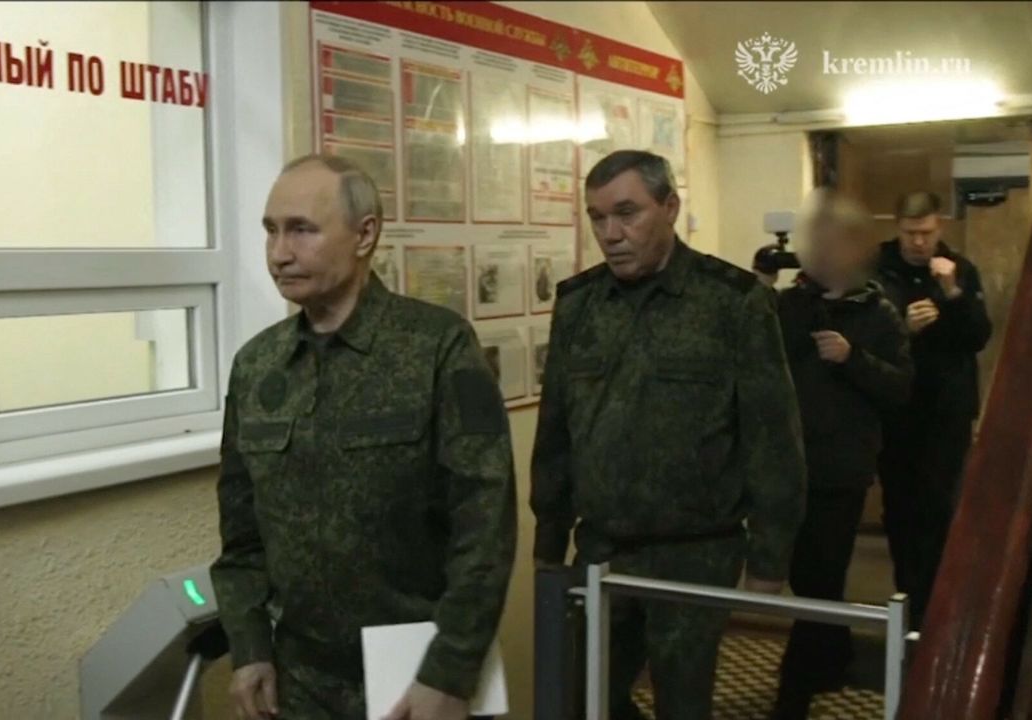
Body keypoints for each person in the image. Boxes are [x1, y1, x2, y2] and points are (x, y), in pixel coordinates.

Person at [211, 153, 517, 720]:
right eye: (272, 231)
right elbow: (242, 537)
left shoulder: (438, 348)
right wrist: (250, 649)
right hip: (297, 683)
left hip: (415, 676)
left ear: (365, 234)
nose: (280, 253)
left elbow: (484, 527)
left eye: (302, 229)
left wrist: (450, 671)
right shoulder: (257, 367)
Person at [530, 150, 807, 720]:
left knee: (682, 703)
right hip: (602, 546)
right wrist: (549, 541)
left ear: (670, 207)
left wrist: (769, 560)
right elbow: (556, 428)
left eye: (627, 213)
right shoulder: (579, 303)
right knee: (584, 695)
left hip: (696, 551)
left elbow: (772, 437)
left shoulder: (732, 302)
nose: (611, 234)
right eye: (598, 217)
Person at [771, 190, 913, 719]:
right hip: (787, 467)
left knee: (819, 578)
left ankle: (795, 691)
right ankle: (833, 657)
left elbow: (900, 388)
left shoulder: (880, 314)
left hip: (841, 470)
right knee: (804, 576)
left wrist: (853, 359)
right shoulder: (792, 306)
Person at [875, 191, 992, 629]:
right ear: (898, 227)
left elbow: (979, 335)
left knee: (941, 511)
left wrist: (953, 293)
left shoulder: (959, 269)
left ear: (938, 227)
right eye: (910, 233)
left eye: (926, 233)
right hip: (898, 410)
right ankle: (906, 604)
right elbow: (865, 335)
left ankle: (936, 609)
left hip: (947, 412)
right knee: (900, 510)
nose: (918, 243)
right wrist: (903, 330)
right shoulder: (877, 268)